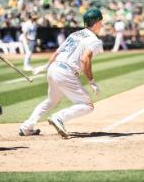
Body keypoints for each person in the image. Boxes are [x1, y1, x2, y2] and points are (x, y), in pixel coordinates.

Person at [19, 8, 103, 138]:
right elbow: (85, 59)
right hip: (66, 72)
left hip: (54, 68)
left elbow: (56, 53)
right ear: (97, 23)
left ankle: (27, 126)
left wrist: (46, 66)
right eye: (101, 22)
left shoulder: (74, 34)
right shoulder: (94, 40)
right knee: (87, 105)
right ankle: (58, 117)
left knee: (51, 100)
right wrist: (91, 81)